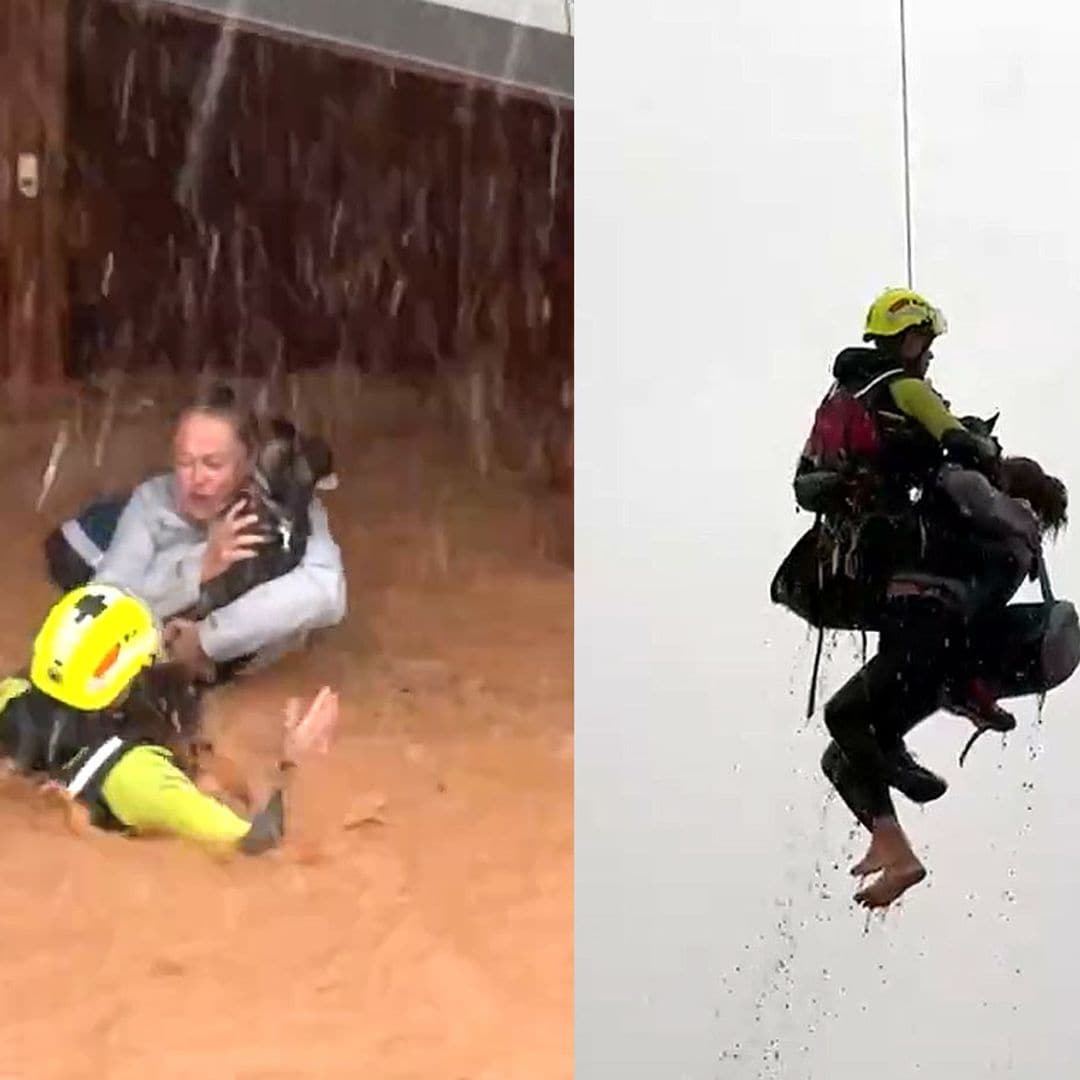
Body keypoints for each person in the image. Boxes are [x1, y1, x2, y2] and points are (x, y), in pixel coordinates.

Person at [0, 583, 339, 853]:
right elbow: (259, 847)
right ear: (120, 687)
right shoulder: (139, 775)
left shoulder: (11, 696)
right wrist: (293, 765)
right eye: (148, 664)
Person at [89, 384, 347, 683]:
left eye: (213, 464)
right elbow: (101, 606)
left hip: (243, 659)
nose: (196, 479)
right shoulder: (153, 501)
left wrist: (207, 638)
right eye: (185, 462)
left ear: (247, 463)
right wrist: (200, 568)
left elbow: (327, 592)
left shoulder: (283, 501)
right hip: (156, 649)